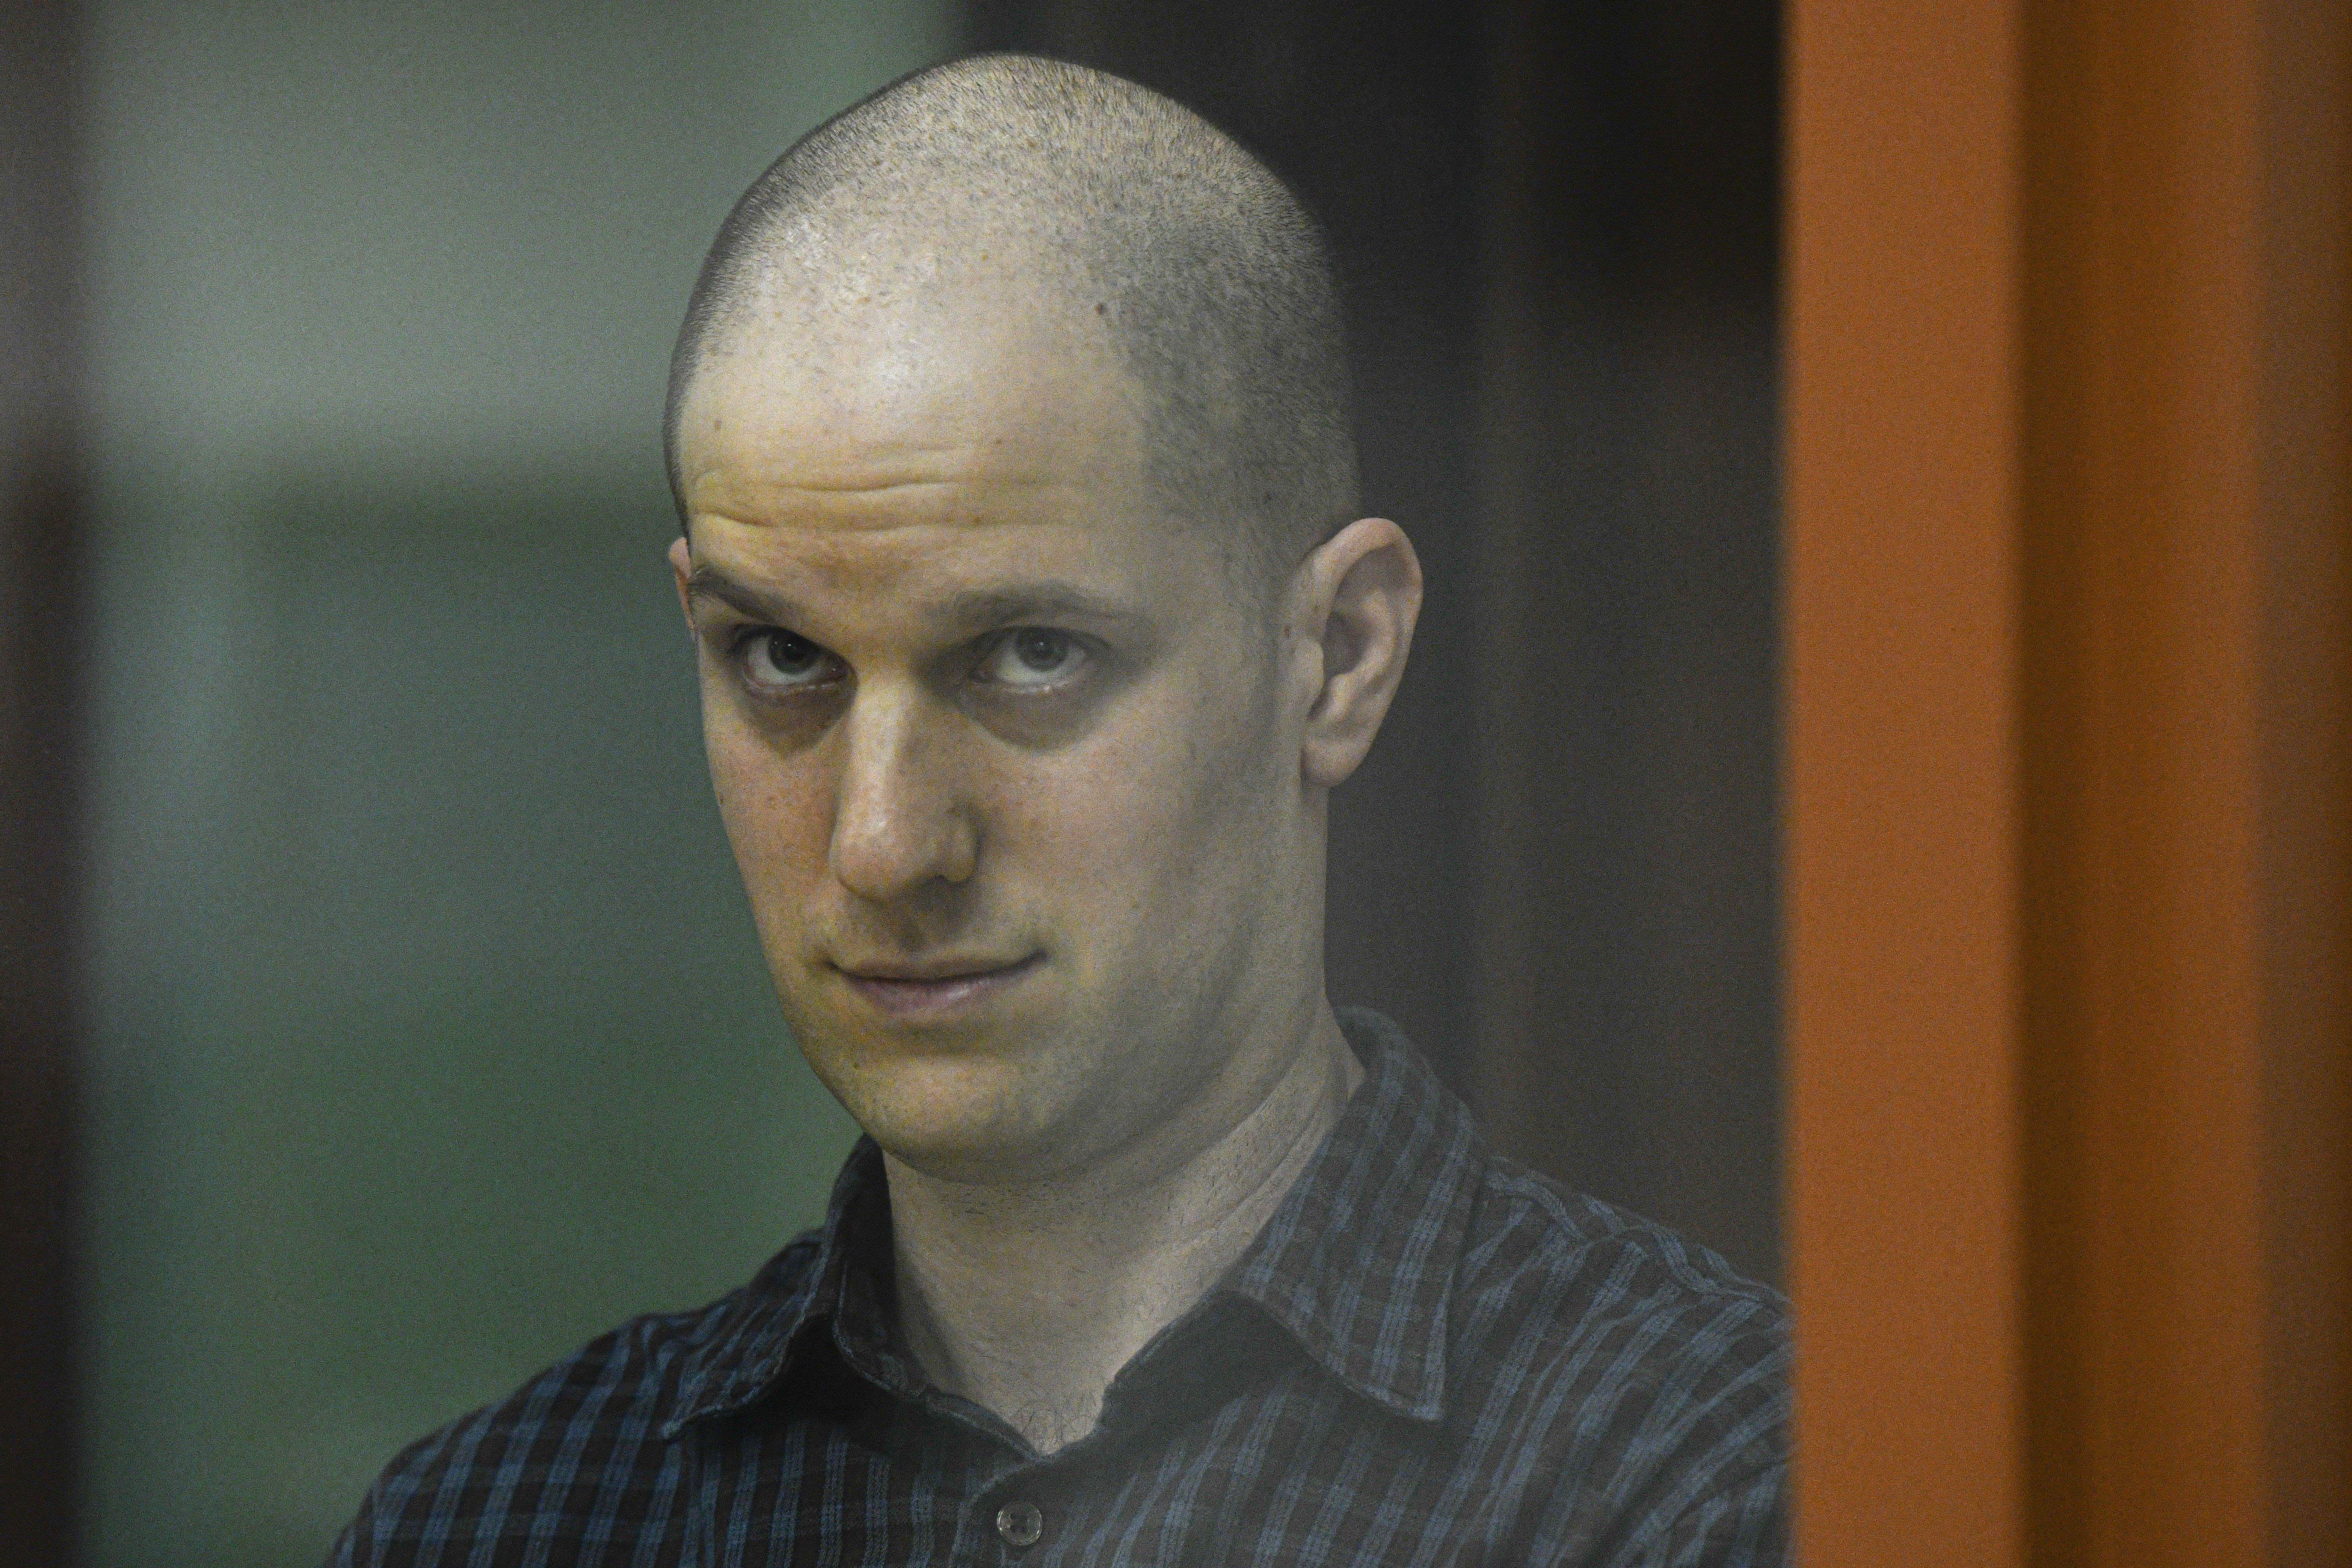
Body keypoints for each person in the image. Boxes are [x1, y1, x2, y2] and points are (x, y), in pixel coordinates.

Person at [328, 53, 1787, 1567]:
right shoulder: (501, 1528)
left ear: (1339, 656)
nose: (881, 843)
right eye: (783, 658)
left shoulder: (1717, 1488)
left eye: (1029, 657)